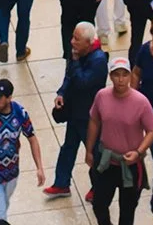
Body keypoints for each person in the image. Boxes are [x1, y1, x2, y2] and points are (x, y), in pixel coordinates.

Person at [85, 54, 153, 225]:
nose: (120, 79)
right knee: (99, 202)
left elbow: (152, 130)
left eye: (124, 75)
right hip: (106, 162)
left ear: (130, 76)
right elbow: (94, 121)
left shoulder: (140, 102)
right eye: (116, 75)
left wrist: (139, 151)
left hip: (130, 165)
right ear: (110, 76)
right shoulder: (102, 96)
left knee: (128, 210)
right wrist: (89, 150)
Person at [45, 21, 109, 198]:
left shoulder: (98, 61)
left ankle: (99, 188)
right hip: (75, 112)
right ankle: (61, 184)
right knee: (68, 148)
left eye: (77, 39)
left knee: (95, 153)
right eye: (73, 36)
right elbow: (69, 78)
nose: (72, 41)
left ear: (88, 42)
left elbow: (82, 82)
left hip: (90, 117)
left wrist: (74, 62)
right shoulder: (78, 53)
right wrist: (61, 93)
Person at [0, 78, 45, 225]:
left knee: (2, 207)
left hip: (11, 173)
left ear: (9, 98)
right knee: (1, 218)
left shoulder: (19, 113)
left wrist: (39, 167)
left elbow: (32, 138)